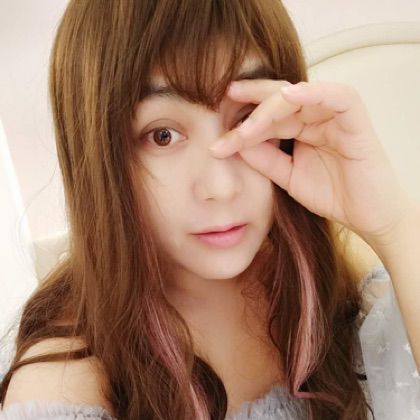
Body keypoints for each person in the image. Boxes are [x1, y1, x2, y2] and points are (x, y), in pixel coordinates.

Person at [0, 0, 419, 419]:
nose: (221, 186)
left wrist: (394, 224)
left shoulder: (340, 278)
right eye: (163, 136)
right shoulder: (66, 387)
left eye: (247, 119)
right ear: (99, 159)